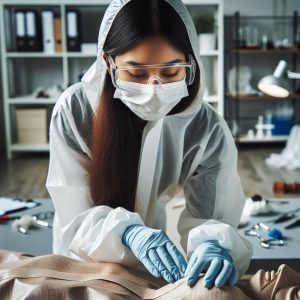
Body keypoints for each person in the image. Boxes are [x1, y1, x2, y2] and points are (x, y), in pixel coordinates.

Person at [46, 0, 253, 290]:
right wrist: (128, 234)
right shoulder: (75, 111)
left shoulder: (205, 128)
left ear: (191, 65)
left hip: (151, 253)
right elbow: (77, 214)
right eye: (136, 73)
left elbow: (213, 212)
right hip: (83, 257)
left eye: (170, 73)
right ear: (108, 63)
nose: (153, 88)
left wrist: (214, 245)